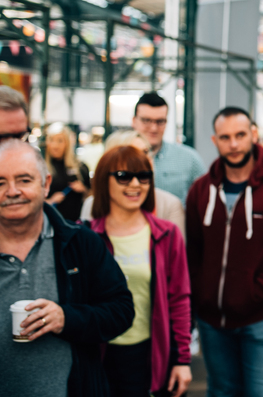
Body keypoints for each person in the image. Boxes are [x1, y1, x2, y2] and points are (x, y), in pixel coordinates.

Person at [186, 107, 263, 397]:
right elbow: (193, 249)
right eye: (226, 137)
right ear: (215, 141)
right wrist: (201, 294)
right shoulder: (201, 190)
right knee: (221, 391)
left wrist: (255, 292)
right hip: (212, 321)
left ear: (254, 135)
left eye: (240, 135)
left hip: (260, 319)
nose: (234, 144)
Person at [0, 140, 134, 396]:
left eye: (24, 180)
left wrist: (67, 318)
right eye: (0, 183)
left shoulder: (80, 243)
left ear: (46, 184)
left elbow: (121, 311)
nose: (12, 191)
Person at [88, 146, 192, 397]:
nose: (135, 184)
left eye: (143, 176)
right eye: (124, 176)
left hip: (148, 354)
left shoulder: (166, 234)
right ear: (105, 180)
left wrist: (182, 361)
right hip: (99, 354)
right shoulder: (87, 236)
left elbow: (179, 299)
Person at [80, 131, 186, 238]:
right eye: (132, 154)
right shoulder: (92, 205)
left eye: (146, 152)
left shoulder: (170, 205)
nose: (143, 160)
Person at [131, 92, 206, 202]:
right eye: (146, 121)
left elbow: (206, 199)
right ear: (134, 121)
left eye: (160, 121)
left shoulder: (189, 159)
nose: (153, 128)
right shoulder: (117, 158)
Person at [44, 123, 91, 222]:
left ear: (68, 143)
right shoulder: (41, 167)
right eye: (51, 140)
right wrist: (50, 201)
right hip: (51, 222)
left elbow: (92, 198)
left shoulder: (81, 167)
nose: (55, 145)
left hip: (76, 224)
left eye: (60, 141)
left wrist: (83, 190)